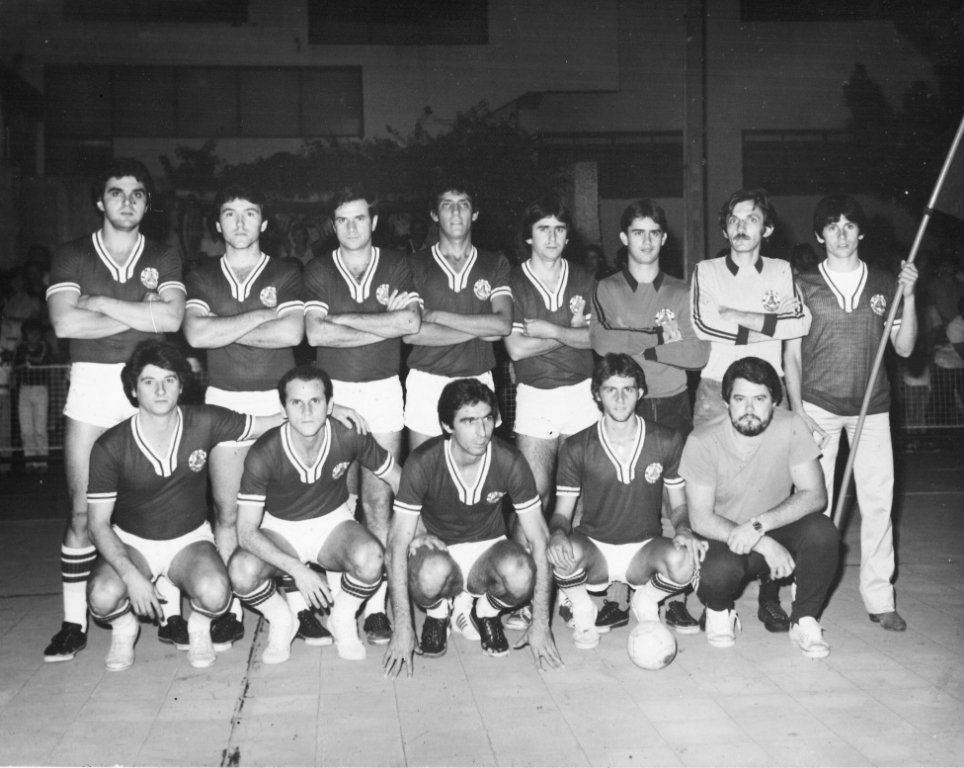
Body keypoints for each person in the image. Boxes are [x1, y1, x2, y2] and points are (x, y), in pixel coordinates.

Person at [44, 158, 185, 662]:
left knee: (160, 502)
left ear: (148, 203)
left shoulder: (165, 253)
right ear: (99, 201)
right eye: (116, 192)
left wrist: (100, 304)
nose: (127, 201)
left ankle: (170, 613)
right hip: (92, 386)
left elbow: (169, 321)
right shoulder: (73, 254)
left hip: (150, 385)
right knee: (83, 511)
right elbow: (63, 324)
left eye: (137, 193)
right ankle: (73, 622)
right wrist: (137, 317)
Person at [85, 340, 281, 671]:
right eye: (149, 382)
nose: (160, 390)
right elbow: (97, 524)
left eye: (169, 380)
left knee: (218, 594)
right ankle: (124, 629)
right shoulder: (110, 445)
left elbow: (269, 421)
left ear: (181, 386)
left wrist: (331, 410)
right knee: (101, 597)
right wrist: (131, 576)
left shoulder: (203, 421)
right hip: (134, 541)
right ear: (134, 390)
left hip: (189, 540)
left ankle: (199, 626)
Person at [784, 194, 918, 632]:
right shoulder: (802, 284)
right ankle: (804, 595)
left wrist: (909, 296)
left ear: (860, 232)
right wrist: (798, 410)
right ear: (819, 235)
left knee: (879, 503)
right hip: (817, 409)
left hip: (871, 411)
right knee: (811, 505)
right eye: (832, 226)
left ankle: (880, 598)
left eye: (848, 225)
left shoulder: (884, 283)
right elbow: (793, 357)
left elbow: (904, 347)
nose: (841, 233)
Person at [183, 183, 306, 650]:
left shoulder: (286, 270)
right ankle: (231, 609)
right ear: (218, 224)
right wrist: (259, 314)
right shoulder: (201, 273)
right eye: (230, 214)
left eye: (250, 213)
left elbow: (293, 331)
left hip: (279, 402)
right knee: (228, 510)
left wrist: (226, 328)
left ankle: (297, 602)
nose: (239, 223)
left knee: (288, 507)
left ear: (264, 223)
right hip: (225, 402)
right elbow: (195, 335)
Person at [303, 186, 420, 644]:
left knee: (379, 503)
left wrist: (344, 321)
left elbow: (409, 324)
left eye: (359, 219)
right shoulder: (317, 268)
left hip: (384, 391)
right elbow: (314, 333)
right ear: (334, 226)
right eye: (343, 220)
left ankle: (376, 609)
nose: (351, 227)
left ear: (373, 221)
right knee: (336, 502)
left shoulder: (394, 263)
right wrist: (378, 320)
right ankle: (335, 604)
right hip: (334, 396)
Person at [690, 189, 811, 634]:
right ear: (724, 229)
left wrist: (736, 313)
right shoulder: (706, 270)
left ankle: (771, 594)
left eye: (752, 219)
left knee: (773, 489)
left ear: (768, 228)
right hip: (714, 389)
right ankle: (715, 594)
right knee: (713, 490)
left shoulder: (781, 271)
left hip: (765, 390)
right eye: (734, 220)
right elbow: (704, 324)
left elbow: (800, 322)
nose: (742, 227)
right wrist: (766, 322)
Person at [383, 379, 563, 677]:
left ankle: (486, 612)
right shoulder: (423, 462)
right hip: (440, 552)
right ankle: (437, 613)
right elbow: (396, 546)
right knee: (429, 574)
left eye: (487, 419)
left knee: (521, 571)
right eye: (469, 421)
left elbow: (540, 540)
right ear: (447, 425)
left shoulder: (509, 461)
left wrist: (541, 624)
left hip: (487, 550)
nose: (482, 432)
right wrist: (403, 627)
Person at [589, 199, 710, 634]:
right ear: (624, 239)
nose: (645, 240)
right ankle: (618, 597)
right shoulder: (606, 288)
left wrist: (646, 346)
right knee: (627, 499)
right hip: (626, 403)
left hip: (672, 402)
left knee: (676, 501)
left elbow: (697, 353)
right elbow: (603, 344)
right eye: (636, 232)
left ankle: (674, 598)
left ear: (663, 238)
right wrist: (662, 334)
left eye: (652, 233)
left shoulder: (681, 290)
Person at [229, 365, 401, 663]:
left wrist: (423, 526)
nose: (307, 411)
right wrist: (297, 569)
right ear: (283, 408)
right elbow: (245, 531)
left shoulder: (348, 435)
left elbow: (398, 479)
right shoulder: (265, 451)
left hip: (332, 522)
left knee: (373, 558)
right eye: (297, 402)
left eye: (316, 402)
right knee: (241, 572)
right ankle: (283, 620)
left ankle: (342, 618)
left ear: (331, 406)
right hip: (281, 527)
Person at [680, 357, 838, 657]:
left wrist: (760, 526)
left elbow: (815, 495)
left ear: (775, 402)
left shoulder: (791, 426)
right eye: (740, 399)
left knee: (822, 531)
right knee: (717, 571)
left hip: (772, 528)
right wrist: (763, 542)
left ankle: (804, 618)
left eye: (760, 399)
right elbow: (700, 519)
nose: (749, 409)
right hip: (724, 538)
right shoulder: (702, 440)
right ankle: (718, 611)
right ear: (727, 402)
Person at [548, 354, 704, 649]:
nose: (620, 399)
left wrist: (683, 529)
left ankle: (646, 601)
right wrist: (556, 534)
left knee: (686, 560)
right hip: (596, 548)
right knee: (559, 550)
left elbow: (679, 505)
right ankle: (582, 608)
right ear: (597, 394)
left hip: (643, 549)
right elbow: (562, 514)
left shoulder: (666, 440)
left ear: (640, 392)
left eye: (628, 389)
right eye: (610, 390)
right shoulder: (577, 445)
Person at [402, 178, 513, 451]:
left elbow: (503, 324)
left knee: (474, 478)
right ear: (434, 214)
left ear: (474, 213)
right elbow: (410, 333)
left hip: (477, 381)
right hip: (427, 381)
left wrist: (437, 316)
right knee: (425, 477)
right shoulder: (414, 264)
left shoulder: (494, 262)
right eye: (446, 205)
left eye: (463, 205)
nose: (455, 213)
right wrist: (481, 328)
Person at [14, 319, 53, 473]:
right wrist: (26, 364)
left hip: (40, 390)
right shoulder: (20, 347)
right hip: (24, 390)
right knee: (26, 429)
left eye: (37, 332)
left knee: (40, 428)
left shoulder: (45, 346)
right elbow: (16, 367)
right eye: (31, 332)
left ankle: (42, 462)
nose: (34, 335)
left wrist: (27, 361)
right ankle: (30, 462)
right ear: (25, 334)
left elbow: (40, 361)